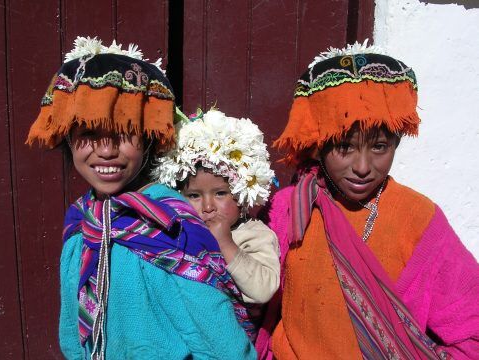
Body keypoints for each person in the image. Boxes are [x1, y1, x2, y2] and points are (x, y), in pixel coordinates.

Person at [27, 36, 256, 360]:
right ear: (68, 137)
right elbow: (72, 333)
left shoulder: (172, 225)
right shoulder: (83, 222)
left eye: (124, 135)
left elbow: (223, 344)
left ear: (149, 139)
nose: (106, 151)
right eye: (90, 133)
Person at [255, 41, 479, 359]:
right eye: (345, 147)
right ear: (318, 144)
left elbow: (471, 325)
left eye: (379, 147)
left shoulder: (417, 217)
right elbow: (249, 306)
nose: (362, 167)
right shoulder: (289, 209)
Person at [153, 109, 280, 306]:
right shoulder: (178, 230)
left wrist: (226, 244)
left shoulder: (255, 235)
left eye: (220, 193)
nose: (208, 207)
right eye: (194, 195)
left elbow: (263, 290)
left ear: (242, 193)